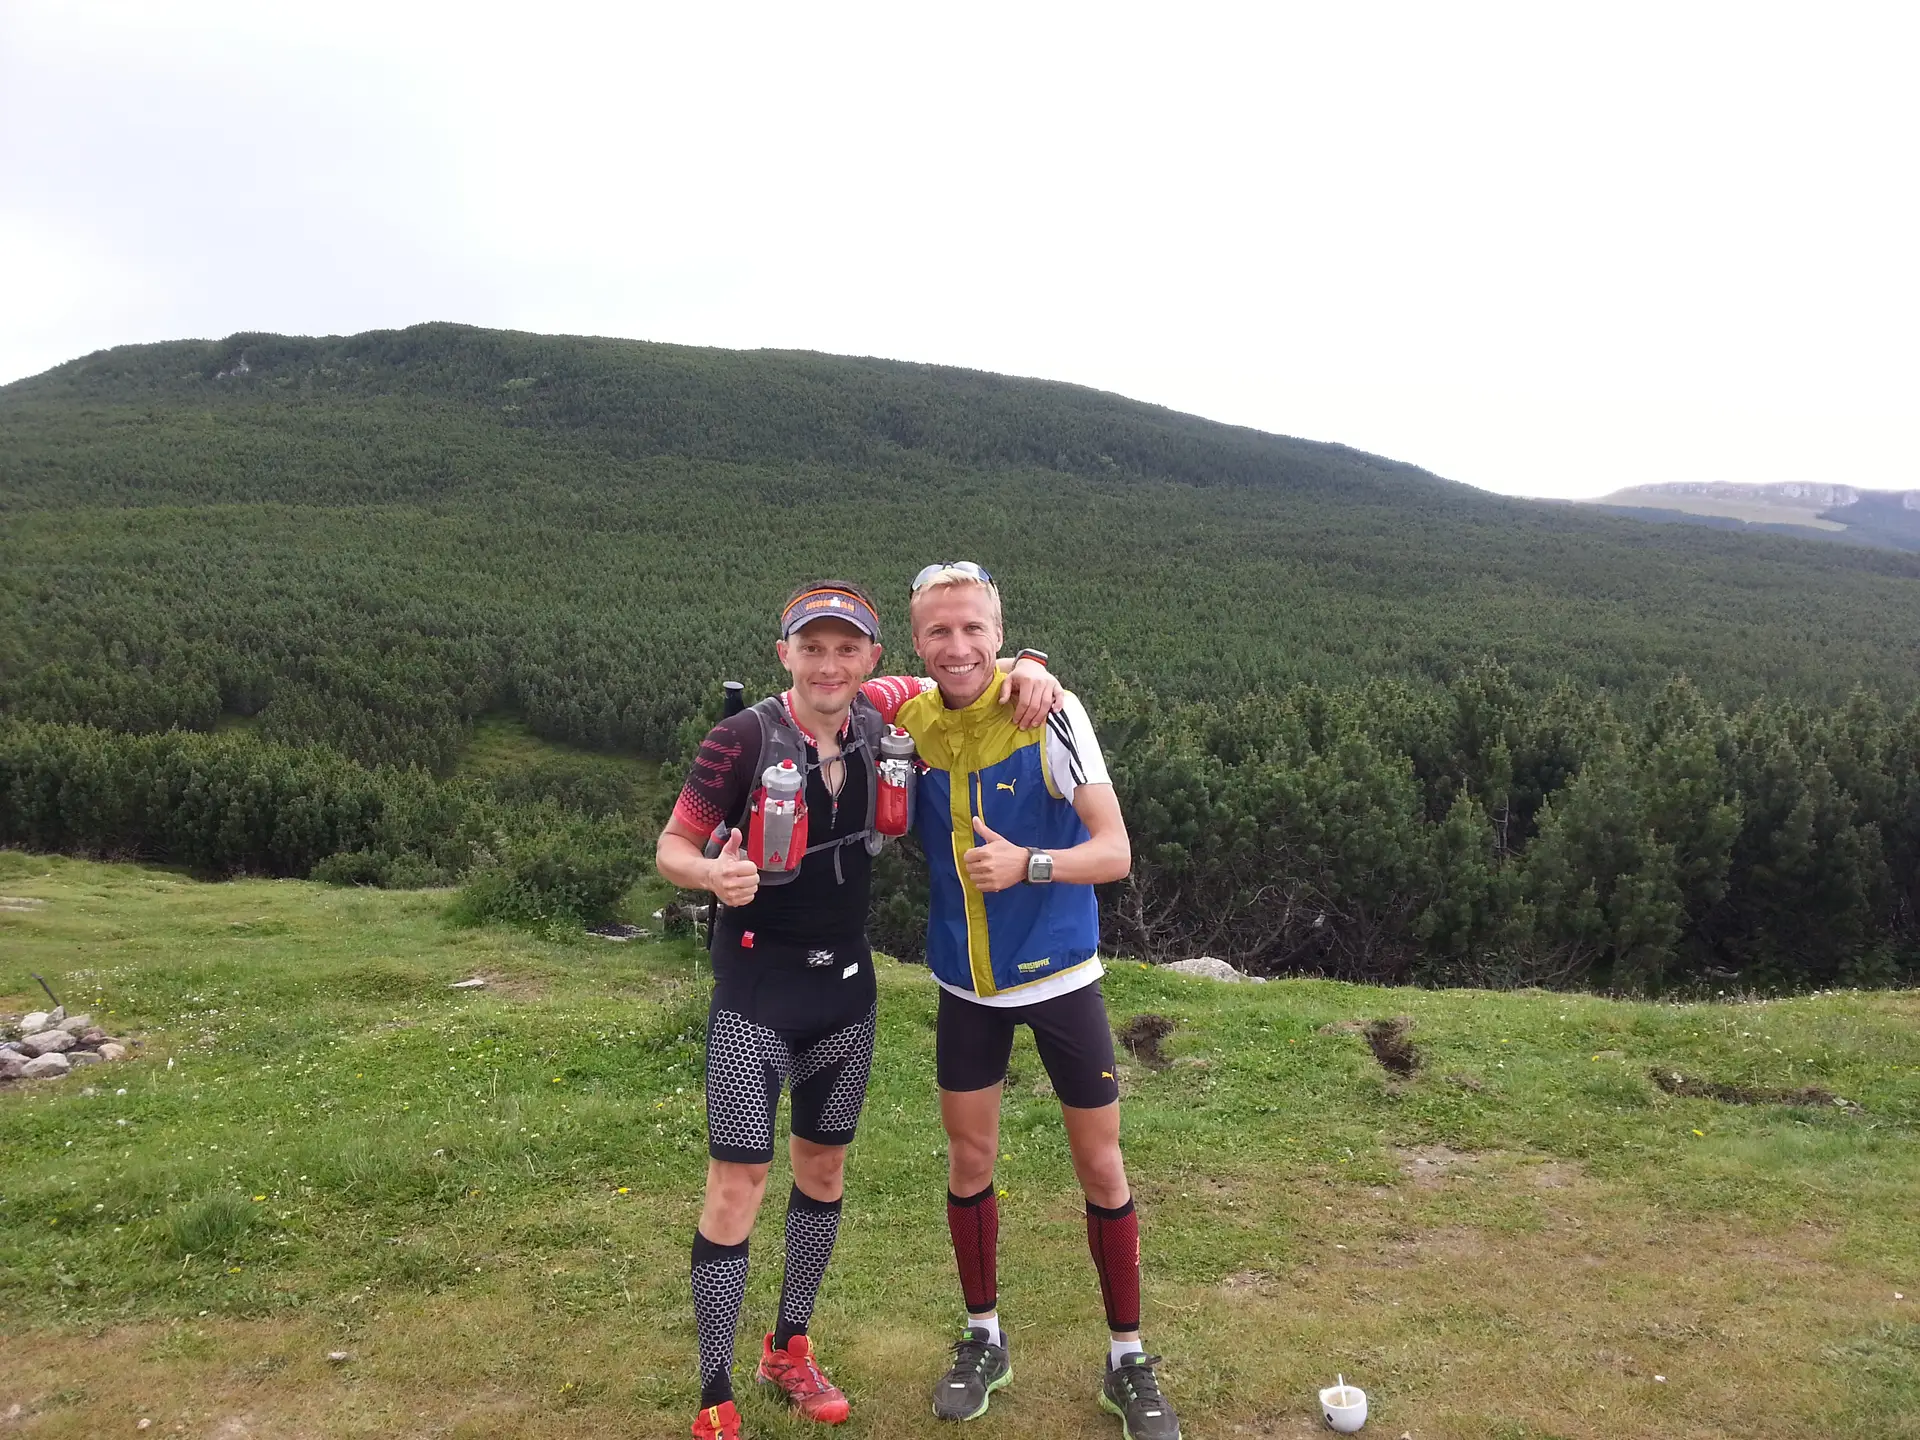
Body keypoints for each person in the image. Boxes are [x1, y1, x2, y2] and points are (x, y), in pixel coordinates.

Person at [654, 578, 1060, 1440]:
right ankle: (713, 1390)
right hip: (756, 995)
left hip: (846, 995)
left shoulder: (884, 713)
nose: (829, 665)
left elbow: (964, 672)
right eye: (813, 648)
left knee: (824, 1173)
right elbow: (673, 845)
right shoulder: (739, 739)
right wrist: (711, 874)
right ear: (785, 655)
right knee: (737, 1184)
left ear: (873, 658)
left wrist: (1033, 664)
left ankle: (789, 1348)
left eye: (847, 649)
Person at [888, 561, 1181, 1440]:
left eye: (973, 628)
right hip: (965, 985)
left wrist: (1031, 865)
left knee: (1101, 1164)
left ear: (999, 630)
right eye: (939, 631)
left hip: (1062, 982)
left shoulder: (1048, 710)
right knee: (969, 1159)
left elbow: (1115, 852)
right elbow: (837, 688)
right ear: (918, 643)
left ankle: (1128, 1357)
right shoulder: (910, 721)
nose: (958, 646)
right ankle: (983, 1338)